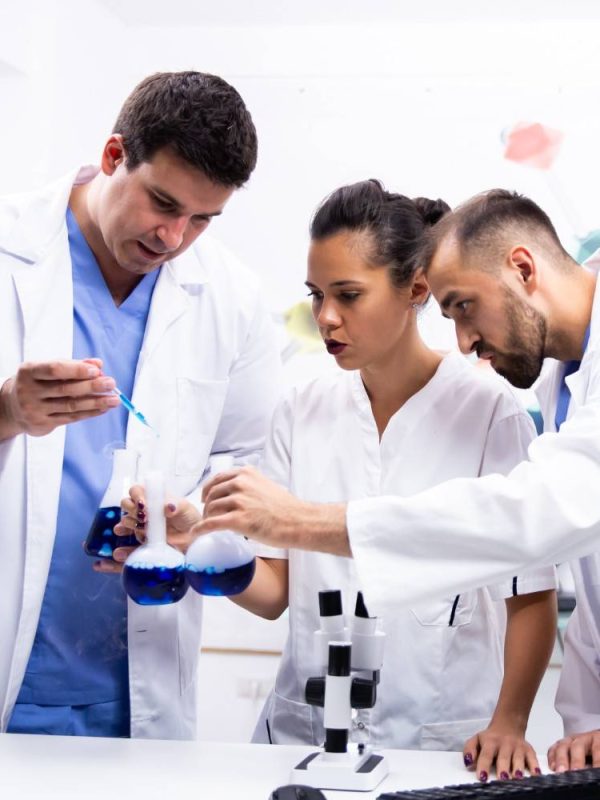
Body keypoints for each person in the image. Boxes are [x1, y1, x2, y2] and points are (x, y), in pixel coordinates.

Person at [145, 181, 556, 778]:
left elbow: (532, 596)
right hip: (301, 739)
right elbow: (274, 593)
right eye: (316, 296)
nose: (326, 318)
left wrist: (510, 722)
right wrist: (198, 547)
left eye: (348, 295)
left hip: (437, 740)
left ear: (416, 288)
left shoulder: (491, 412)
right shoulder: (299, 409)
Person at [0, 71, 281, 739]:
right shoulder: (13, 248)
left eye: (202, 219)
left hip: (135, 687)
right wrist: (7, 411)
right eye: (162, 202)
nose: (173, 238)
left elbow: (243, 472)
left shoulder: (232, 300)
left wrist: (192, 516)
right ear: (112, 155)